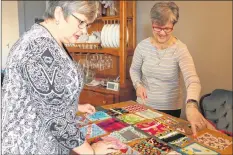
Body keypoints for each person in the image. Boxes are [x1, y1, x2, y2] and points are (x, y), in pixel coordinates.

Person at [1, 1, 118, 154]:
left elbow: (45, 98)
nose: (84, 31)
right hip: (29, 146)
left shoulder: (48, 39)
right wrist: (92, 151)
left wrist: (74, 107)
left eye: (87, 25)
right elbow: (57, 120)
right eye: (81, 22)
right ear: (58, 14)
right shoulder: (40, 48)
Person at [130, 1, 216, 136]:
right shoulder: (142, 46)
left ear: (173, 26)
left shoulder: (180, 49)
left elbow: (192, 79)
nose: (162, 33)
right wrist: (138, 85)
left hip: (170, 109)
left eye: (167, 28)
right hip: (144, 106)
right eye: (157, 28)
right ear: (152, 23)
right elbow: (134, 70)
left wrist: (192, 105)